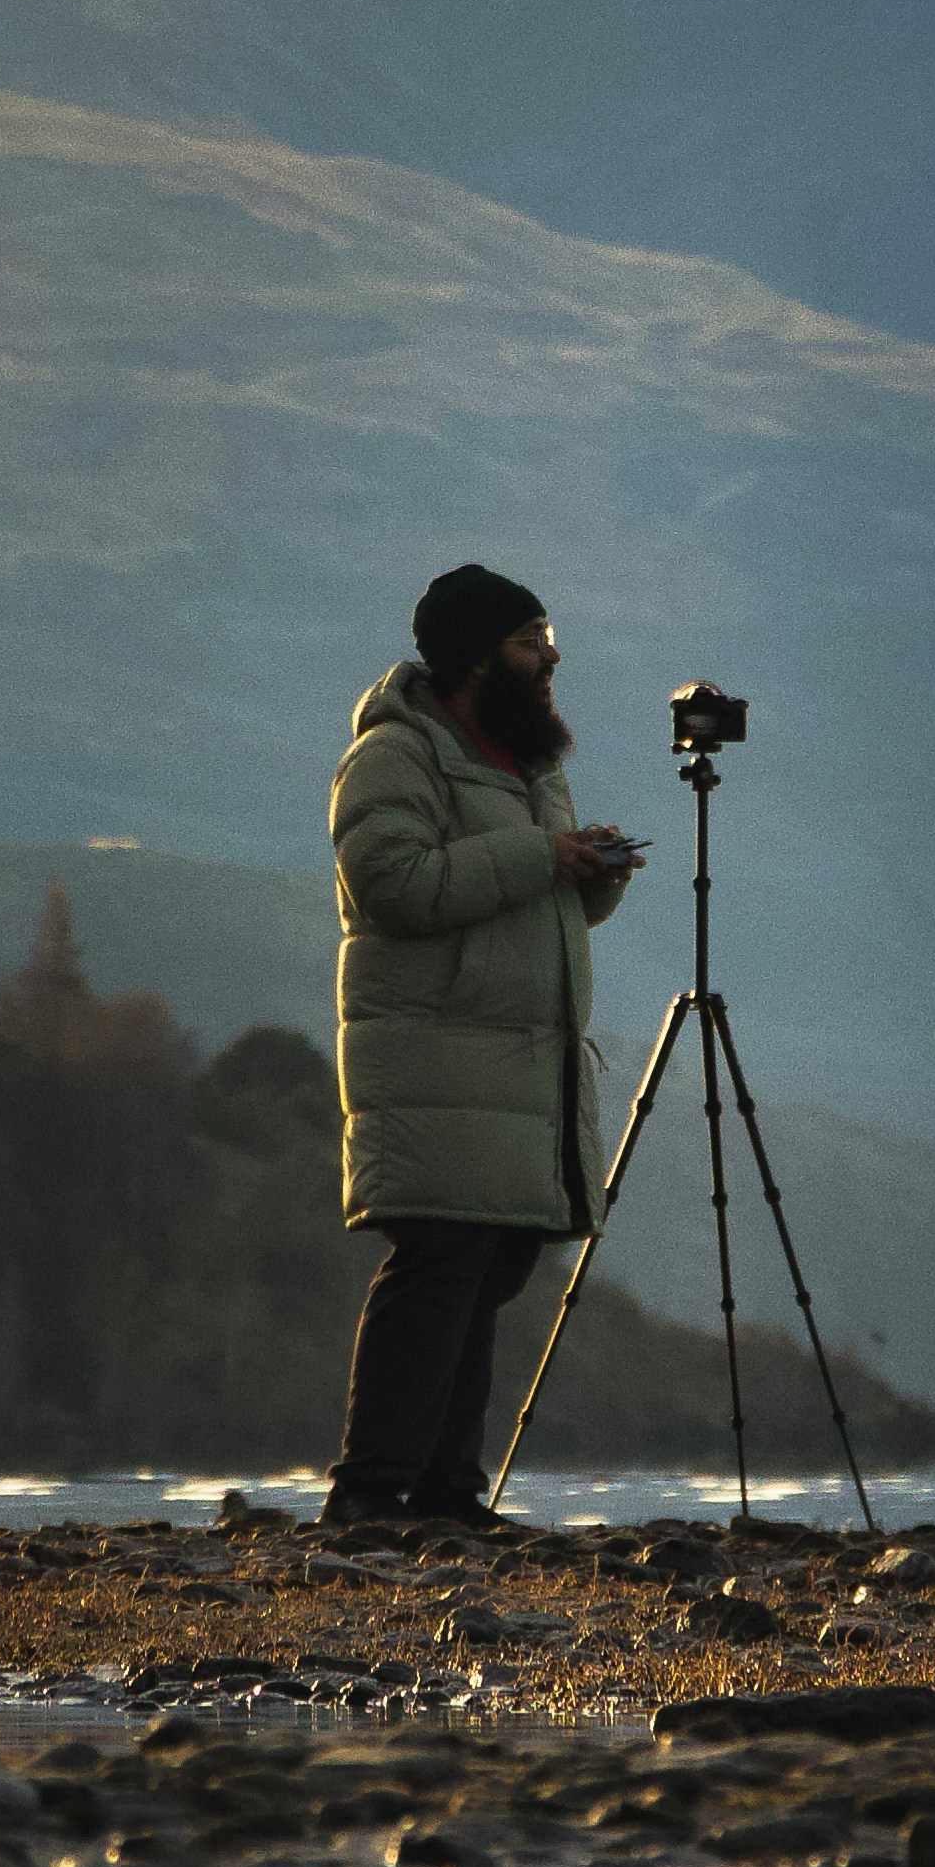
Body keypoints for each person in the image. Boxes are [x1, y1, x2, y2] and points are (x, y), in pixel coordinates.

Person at [325, 565, 644, 1534]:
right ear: (474, 655)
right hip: (437, 1059)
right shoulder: (394, 755)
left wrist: (590, 867)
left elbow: (547, 896)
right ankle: (370, 1494)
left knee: (491, 1264)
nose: (550, 658)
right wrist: (541, 856)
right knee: (437, 1264)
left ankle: (447, 1492)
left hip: (518, 1066)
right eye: (528, 639)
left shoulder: (529, 763)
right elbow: (392, 883)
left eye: (548, 638)